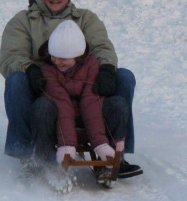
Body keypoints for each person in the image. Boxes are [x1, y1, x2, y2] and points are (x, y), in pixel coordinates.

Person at [0, 0, 142, 179]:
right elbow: (11, 56)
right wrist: (30, 69)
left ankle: (116, 153)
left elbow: (102, 46)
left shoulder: (85, 18)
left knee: (125, 77)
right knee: (16, 80)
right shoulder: (22, 21)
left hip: (87, 85)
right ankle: (29, 153)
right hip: (45, 89)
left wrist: (106, 68)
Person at [38, 20, 127, 171]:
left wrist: (100, 144)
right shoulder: (48, 69)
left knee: (118, 104)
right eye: (54, 56)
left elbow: (91, 102)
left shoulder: (91, 65)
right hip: (58, 118)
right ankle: (44, 162)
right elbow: (62, 104)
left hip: (90, 115)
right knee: (41, 107)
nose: (57, 62)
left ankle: (112, 158)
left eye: (63, 59)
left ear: (78, 57)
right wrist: (67, 145)